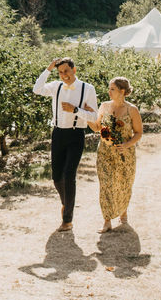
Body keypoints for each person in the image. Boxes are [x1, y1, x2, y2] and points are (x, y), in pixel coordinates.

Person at [33, 57, 98, 231]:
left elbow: (94, 117)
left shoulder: (88, 88)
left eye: (66, 71)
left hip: (76, 134)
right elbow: (37, 89)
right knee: (56, 177)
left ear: (74, 70)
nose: (64, 75)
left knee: (69, 175)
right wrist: (48, 69)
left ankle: (67, 219)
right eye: (60, 72)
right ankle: (66, 202)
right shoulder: (56, 86)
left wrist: (76, 110)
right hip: (58, 133)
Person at [87, 77, 142, 233]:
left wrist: (126, 145)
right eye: (109, 88)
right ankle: (107, 220)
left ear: (122, 91)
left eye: (112, 89)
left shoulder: (132, 110)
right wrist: (86, 117)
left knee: (123, 184)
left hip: (125, 152)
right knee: (106, 185)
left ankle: (123, 210)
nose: (109, 92)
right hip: (105, 152)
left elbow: (138, 133)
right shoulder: (104, 106)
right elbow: (97, 127)